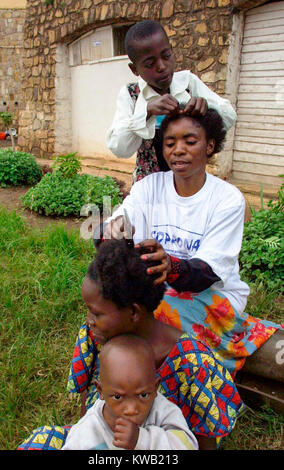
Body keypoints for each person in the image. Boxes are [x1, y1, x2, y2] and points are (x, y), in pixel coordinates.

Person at [103, 105, 284, 380]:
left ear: (210, 145)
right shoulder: (148, 187)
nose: (178, 150)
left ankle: (167, 378)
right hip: (157, 289)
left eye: (190, 141)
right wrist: (114, 230)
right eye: (170, 142)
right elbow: (117, 221)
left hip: (213, 294)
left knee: (154, 316)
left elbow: (207, 272)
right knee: (116, 310)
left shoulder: (226, 199)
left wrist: (171, 267)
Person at [18, 239, 244, 451]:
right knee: (40, 441)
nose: (89, 320)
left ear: (134, 311)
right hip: (105, 441)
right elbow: (88, 409)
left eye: (96, 313)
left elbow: (205, 439)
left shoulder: (193, 362)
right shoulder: (94, 336)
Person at [106, 20, 237, 182]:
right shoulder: (131, 95)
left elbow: (230, 117)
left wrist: (207, 108)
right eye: (150, 64)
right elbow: (120, 148)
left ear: (172, 52)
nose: (161, 66)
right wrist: (146, 112)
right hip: (150, 187)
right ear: (135, 69)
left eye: (166, 56)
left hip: (188, 183)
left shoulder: (188, 83)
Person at [62, 334, 198, 450]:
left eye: (143, 395)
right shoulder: (86, 433)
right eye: (118, 397)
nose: (131, 409)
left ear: (155, 387)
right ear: (100, 391)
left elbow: (189, 446)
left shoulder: (162, 411)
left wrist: (142, 439)